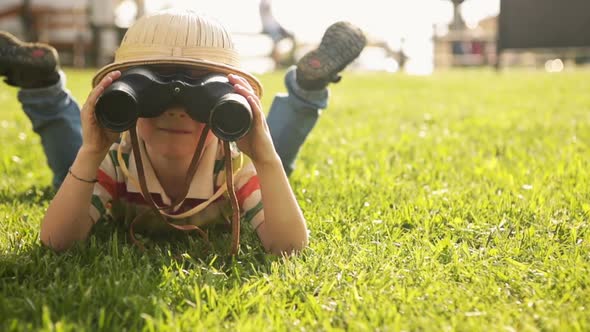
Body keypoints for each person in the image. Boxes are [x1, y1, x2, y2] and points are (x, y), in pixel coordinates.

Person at [0, 9, 366, 255]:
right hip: (122, 157)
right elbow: (55, 242)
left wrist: (264, 157)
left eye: (203, 96)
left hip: (226, 159)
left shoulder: (233, 166)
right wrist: (91, 153)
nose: (176, 109)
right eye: (147, 92)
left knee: (276, 161)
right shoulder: (117, 161)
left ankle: (43, 88)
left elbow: (289, 247)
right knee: (73, 160)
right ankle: (41, 82)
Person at [258, 0, 296, 68]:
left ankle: (289, 60)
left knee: (292, 37)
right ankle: (278, 64)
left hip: (276, 27)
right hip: (271, 28)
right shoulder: (264, 2)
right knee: (276, 46)